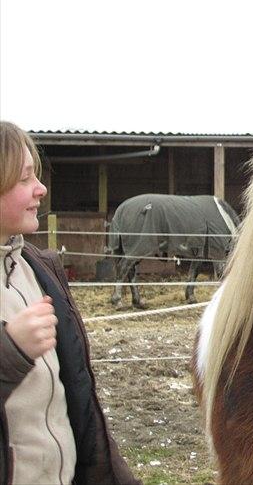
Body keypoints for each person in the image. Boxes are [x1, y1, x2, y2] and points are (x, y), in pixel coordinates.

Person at [0, 121, 140, 485]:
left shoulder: (39, 270)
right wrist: (9, 352)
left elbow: (79, 398)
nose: (41, 189)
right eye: (24, 179)